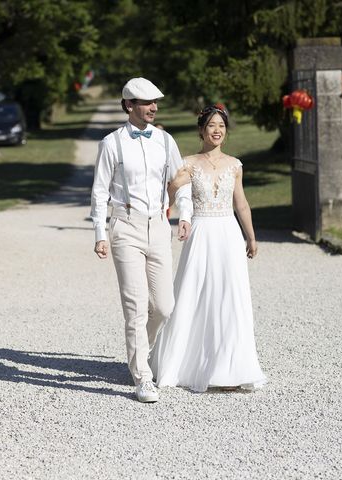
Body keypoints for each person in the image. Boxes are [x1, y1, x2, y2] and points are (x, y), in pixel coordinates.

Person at [150, 105, 268, 392]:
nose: (217, 130)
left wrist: (250, 236)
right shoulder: (188, 163)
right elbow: (170, 195)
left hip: (228, 232)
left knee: (230, 295)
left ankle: (230, 367)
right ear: (201, 130)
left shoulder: (234, 164)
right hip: (201, 233)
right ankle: (186, 363)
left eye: (222, 126)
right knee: (194, 292)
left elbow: (241, 203)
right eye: (212, 125)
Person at [90, 77, 192, 403]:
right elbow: (99, 192)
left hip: (159, 226)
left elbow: (181, 180)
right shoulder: (111, 144)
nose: (154, 108)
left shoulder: (165, 140)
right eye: (147, 103)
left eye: (155, 103)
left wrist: (185, 215)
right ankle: (142, 377)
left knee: (164, 305)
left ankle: (140, 353)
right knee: (135, 307)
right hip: (126, 227)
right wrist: (99, 234)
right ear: (129, 105)